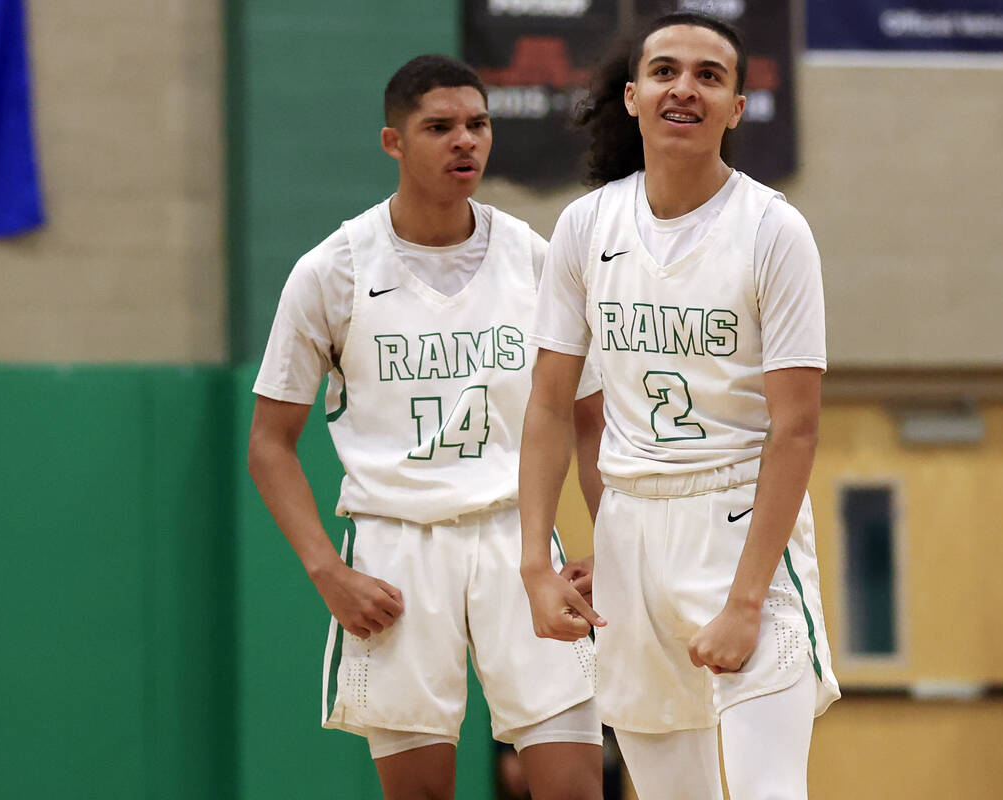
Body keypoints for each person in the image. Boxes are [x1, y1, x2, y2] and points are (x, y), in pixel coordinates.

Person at [247, 54, 605, 800]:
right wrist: (327, 572)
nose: (464, 142)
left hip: (519, 536)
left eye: (477, 124)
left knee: (574, 785)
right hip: (396, 544)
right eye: (438, 127)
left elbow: (591, 417)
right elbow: (269, 444)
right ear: (393, 142)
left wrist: (609, 547)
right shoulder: (332, 270)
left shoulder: (533, 259)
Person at [518, 12, 840, 800]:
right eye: (665, 72)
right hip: (630, 532)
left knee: (771, 792)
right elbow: (551, 405)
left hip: (739, 526)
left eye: (709, 75)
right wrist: (535, 563)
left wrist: (745, 600)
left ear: (736, 107)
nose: (684, 88)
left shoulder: (773, 230)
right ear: (632, 96)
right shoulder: (586, 226)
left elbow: (796, 429)